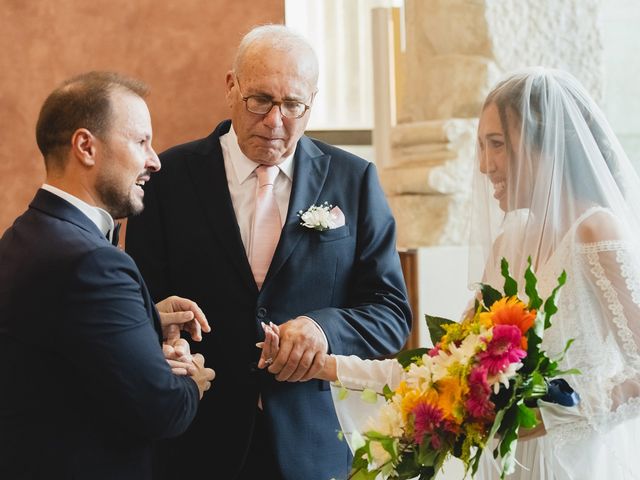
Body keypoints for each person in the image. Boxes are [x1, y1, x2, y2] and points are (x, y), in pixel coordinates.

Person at [260, 67, 640, 479]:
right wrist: (325, 365)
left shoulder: (595, 231)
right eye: (481, 146)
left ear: (543, 145)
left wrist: (556, 416)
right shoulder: (510, 244)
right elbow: (442, 368)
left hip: (575, 463)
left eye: (496, 144)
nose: (484, 166)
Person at [125, 24, 411, 480]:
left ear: (312, 101)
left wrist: (323, 327)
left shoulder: (353, 180)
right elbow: (137, 305)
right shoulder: (168, 178)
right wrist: (164, 337)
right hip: (195, 441)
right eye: (259, 100)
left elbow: (391, 312)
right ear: (231, 86)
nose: (275, 121)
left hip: (315, 443)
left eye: (293, 105)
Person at [0, 71, 216, 480]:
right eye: (141, 142)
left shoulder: (23, 234)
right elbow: (162, 410)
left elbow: (65, 357)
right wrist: (192, 380)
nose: (154, 160)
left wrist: (144, 322)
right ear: (86, 146)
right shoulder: (92, 263)